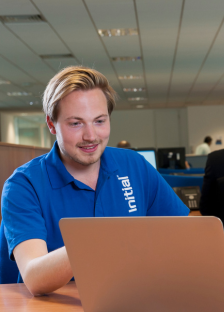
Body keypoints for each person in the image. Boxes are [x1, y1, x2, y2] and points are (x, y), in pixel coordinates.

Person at [0, 66, 189, 295]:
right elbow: (34, 277)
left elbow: (184, 236)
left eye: (99, 121)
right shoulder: (23, 185)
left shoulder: (133, 165)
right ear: (51, 124)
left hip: (130, 299)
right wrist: (104, 240)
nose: (91, 136)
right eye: (76, 123)